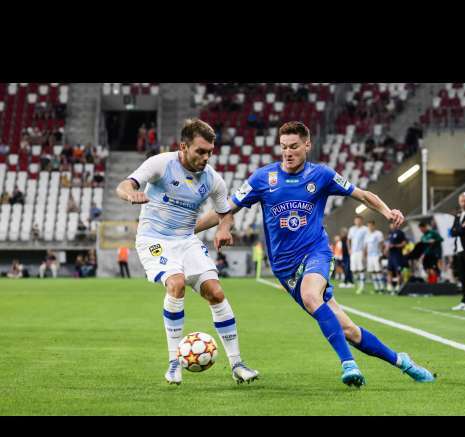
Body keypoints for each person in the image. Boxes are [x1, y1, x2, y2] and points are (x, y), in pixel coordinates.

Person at [195, 121, 434, 388]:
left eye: (294, 147)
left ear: (307, 145)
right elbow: (226, 209)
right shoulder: (263, 178)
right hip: (285, 269)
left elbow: (362, 195)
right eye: (283, 147)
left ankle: (348, 364)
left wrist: (388, 212)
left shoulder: (322, 175)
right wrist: (187, 230)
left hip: (316, 252)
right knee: (348, 330)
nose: (288, 152)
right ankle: (403, 362)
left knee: (311, 295)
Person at [116, 118, 259, 386]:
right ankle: (174, 363)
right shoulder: (161, 164)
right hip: (154, 239)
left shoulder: (213, 179)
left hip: (186, 240)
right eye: (200, 151)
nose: (205, 157)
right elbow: (125, 185)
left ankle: (237, 364)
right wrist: (130, 195)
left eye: (209, 152)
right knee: (176, 283)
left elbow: (225, 213)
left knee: (216, 292)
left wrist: (224, 229)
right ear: (183, 146)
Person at [348, 215, 369, 294]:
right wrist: (349, 249)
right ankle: (358, 285)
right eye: (356, 220)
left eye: (359, 220)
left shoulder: (365, 229)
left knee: (361, 269)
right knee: (354, 270)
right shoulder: (352, 229)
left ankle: (362, 286)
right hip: (353, 252)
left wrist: (365, 251)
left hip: (361, 251)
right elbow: (349, 240)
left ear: (362, 221)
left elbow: (366, 241)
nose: (357, 222)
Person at [386, 221, 407, 294]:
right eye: (391, 224)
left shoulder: (400, 233)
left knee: (398, 271)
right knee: (389, 271)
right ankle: (389, 287)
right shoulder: (390, 233)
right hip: (391, 255)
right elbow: (388, 244)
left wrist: (395, 246)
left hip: (397, 255)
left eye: (393, 224)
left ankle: (398, 286)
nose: (392, 226)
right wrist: (386, 250)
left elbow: (404, 243)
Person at [364, 220, 385, 293]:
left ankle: (382, 288)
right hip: (369, 256)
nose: (369, 227)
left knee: (378, 271)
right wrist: (365, 255)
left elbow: (381, 244)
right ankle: (376, 288)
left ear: (374, 226)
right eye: (368, 226)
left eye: (371, 226)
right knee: (372, 271)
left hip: (376, 255)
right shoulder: (367, 235)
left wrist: (381, 254)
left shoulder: (378, 233)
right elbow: (366, 246)